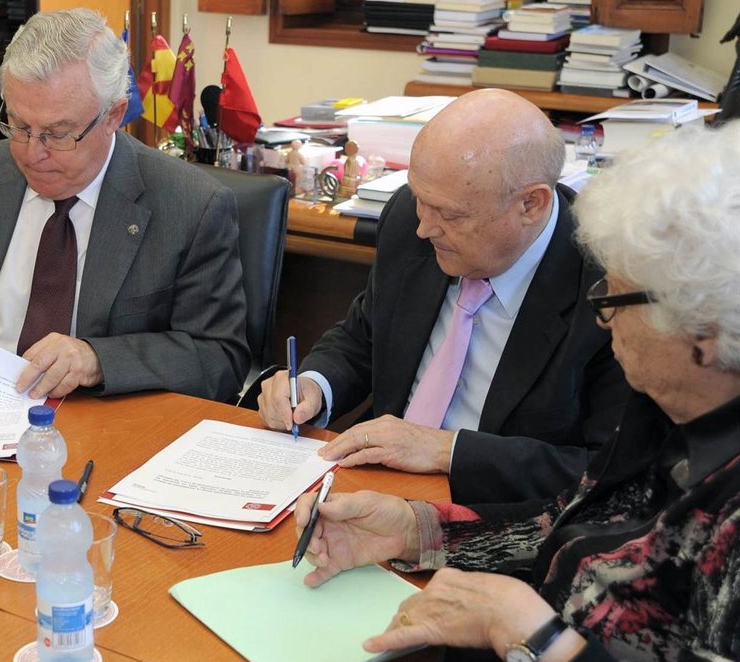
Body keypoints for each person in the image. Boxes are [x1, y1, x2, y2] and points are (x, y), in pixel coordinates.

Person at [294, 127, 740, 662]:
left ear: (706, 335)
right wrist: (417, 530)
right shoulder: (671, 421)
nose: (601, 317)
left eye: (614, 299)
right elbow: (567, 523)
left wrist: (535, 638)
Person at [259, 89, 630, 503]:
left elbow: (609, 472)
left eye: (451, 215)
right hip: (376, 487)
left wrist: (448, 451)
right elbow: (364, 338)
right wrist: (314, 385)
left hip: (497, 512)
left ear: (531, 204)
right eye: (421, 199)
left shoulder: (612, 286)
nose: (425, 228)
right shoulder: (408, 218)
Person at [0, 8, 248, 402]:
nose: (32, 153)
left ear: (113, 116)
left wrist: (98, 359)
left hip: (108, 422)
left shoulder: (191, 206)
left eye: (58, 134)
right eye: (19, 126)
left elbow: (219, 359)